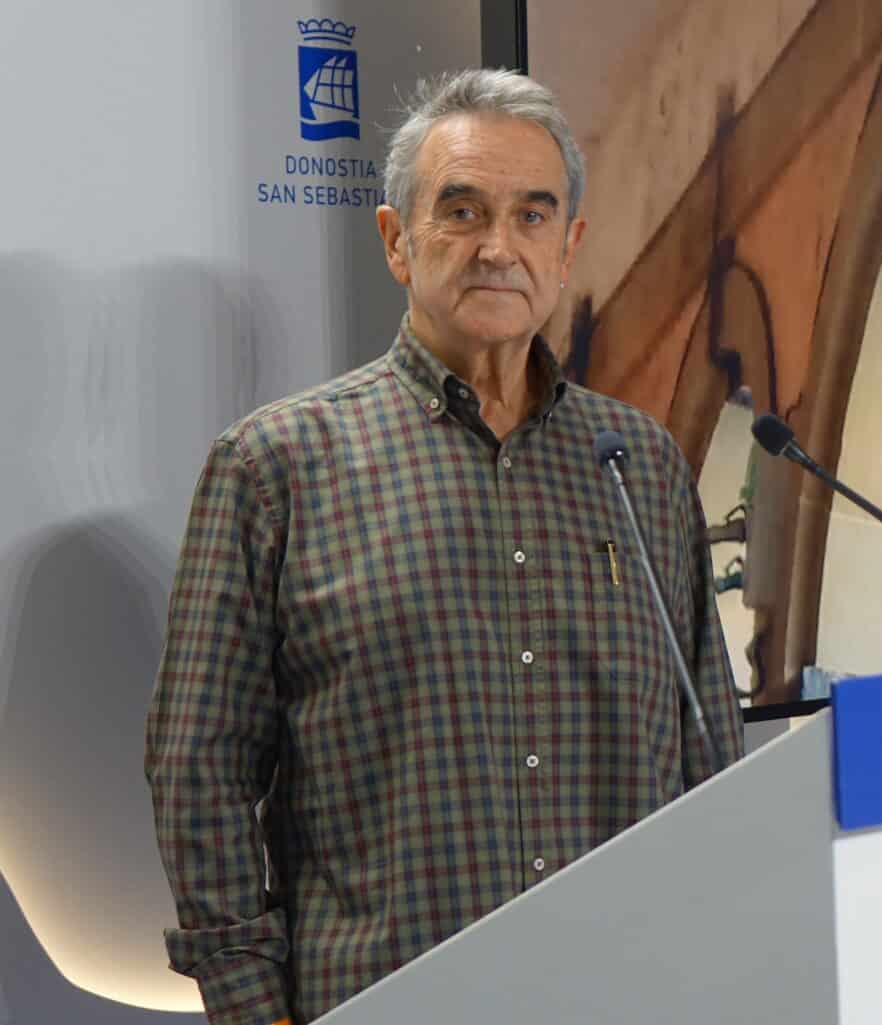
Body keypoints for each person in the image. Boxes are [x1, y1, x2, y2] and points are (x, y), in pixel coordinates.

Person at [145, 69, 743, 1025]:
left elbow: (708, 755)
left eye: (532, 216)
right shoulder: (275, 469)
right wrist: (255, 1008)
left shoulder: (640, 466)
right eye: (462, 212)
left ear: (567, 248)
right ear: (397, 239)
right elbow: (198, 770)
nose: (498, 247)